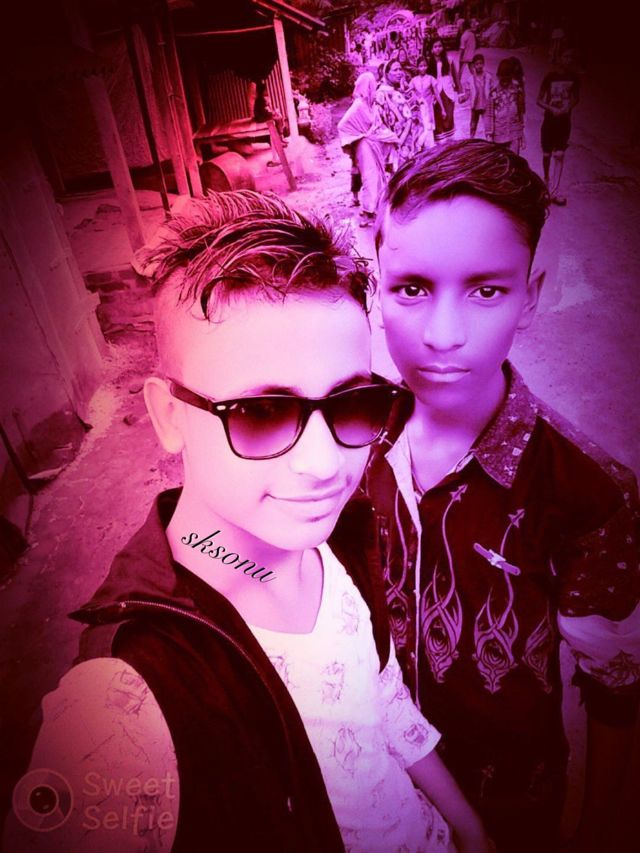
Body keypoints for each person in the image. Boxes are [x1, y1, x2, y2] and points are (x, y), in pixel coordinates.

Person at [5, 191, 492, 853]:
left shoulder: (340, 540)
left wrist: (471, 830)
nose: (325, 464)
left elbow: (382, 701)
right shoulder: (128, 700)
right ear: (169, 416)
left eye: (351, 403)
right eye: (261, 414)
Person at [368, 139, 640, 853]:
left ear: (531, 295)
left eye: (486, 290)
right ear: (376, 287)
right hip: (371, 785)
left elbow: (615, 686)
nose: (443, 335)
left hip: (511, 802)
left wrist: (598, 832)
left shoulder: (589, 491)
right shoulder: (347, 435)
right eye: (411, 288)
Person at [338, 71, 389, 228]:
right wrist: (358, 135)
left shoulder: (369, 104)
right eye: (372, 84)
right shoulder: (359, 105)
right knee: (369, 178)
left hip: (371, 144)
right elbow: (342, 125)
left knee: (377, 176)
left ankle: (374, 209)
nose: (375, 87)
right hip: (364, 146)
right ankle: (367, 212)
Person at [537, 48, 580, 205]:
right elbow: (539, 99)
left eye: (571, 57)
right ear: (559, 58)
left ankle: (555, 191)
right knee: (547, 155)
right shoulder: (550, 77)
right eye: (566, 56)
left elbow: (576, 98)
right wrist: (551, 108)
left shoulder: (575, 78)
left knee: (560, 155)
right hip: (549, 121)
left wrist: (569, 107)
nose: (568, 60)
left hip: (564, 122)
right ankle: (546, 182)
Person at [372, 59, 415, 172]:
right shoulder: (381, 94)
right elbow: (378, 123)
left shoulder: (396, 91)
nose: (399, 72)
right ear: (386, 74)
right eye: (395, 70)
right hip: (393, 147)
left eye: (400, 69)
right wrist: (396, 141)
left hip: (405, 145)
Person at [426, 39, 461, 144]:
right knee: (438, 114)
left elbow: (455, 76)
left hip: (447, 90)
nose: (438, 49)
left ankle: (450, 139)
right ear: (431, 49)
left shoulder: (449, 60)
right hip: (435, 91)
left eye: (440, 46)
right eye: (435, 47)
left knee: (449, 114)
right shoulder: (428, 62)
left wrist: (460, 92)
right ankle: (441, 140)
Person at [486, 59, 525, 154]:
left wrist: (522, 135)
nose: (505, 82)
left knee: (514, 159)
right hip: (498, 134)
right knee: (501, 160)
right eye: (502, 79)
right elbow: (489, 115)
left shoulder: (517, 90)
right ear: (498, 76)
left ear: (511, 76)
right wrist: (489, 134)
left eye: (507, 79)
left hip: (514, 132)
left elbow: (520, 112)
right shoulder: (493, 92)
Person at [408, 56, 445, 152]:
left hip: (428, 109)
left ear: (427, 66)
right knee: (421, 128)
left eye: (424, 66)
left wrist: (443, 109)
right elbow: (410, 93)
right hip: (418, 110)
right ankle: (419, 148)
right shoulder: (414, 80)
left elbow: (437, 94)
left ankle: (430, 149)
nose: (423, 68)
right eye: (420, 66)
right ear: (417, 67)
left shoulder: (431, 79)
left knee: (428, 128)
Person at [465, 54, 493, 138]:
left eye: (481, 63)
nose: (479, 66)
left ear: (484, 64)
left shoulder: (488, 77)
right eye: (477, 64)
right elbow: (467, 93)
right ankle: (471, 139)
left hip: (486, 105)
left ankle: (489, 140)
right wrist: (463, 98)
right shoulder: (470, 79)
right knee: (473, 125)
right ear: (474, 65)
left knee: (488, 125)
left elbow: (492, 90)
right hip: (475, 105)